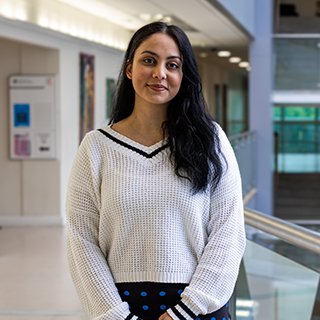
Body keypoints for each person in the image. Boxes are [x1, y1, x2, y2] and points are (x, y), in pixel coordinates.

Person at [66, 21, 246, 320]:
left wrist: (186, 311)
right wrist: (114, 314)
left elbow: (229, 232)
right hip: (120, 308)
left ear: (183, 75)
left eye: (172, 65)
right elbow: (81, 239)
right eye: (148, 60)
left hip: (198, 308)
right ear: (129, 68)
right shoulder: (96, 147)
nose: (159, 73)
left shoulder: (210, 140)